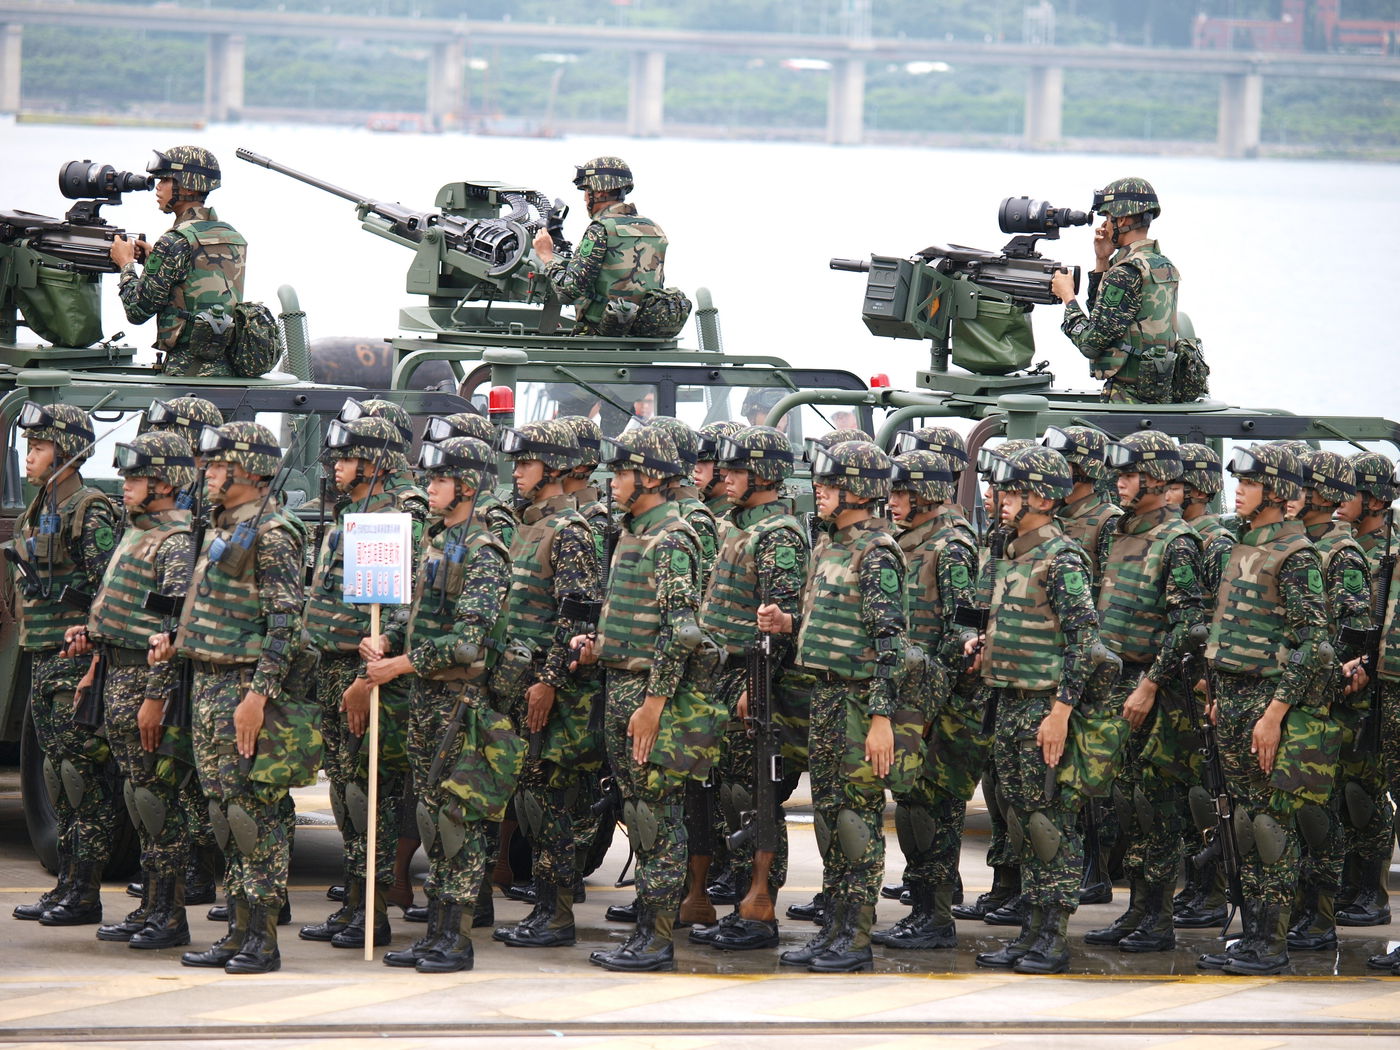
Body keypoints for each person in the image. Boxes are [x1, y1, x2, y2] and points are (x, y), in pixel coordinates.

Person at [158, 421, 311, 974]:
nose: (208, 474)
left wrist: (259, 695)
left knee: (255, 816)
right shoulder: (224, 526)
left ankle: (263, 941)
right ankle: (236, 931)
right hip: (208, 686)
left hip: (243, 692)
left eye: (219, 466)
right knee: (224, 816)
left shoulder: (273, 533)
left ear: (248, 470)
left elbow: (285, 623)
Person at [365, 436, 519, 973]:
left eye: (439, 480)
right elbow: (423, 620)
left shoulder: (484, 553)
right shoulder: (439, 541)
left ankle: (455, 938)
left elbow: (468, 644)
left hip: (462, 704)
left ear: (468, 487)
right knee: (431, 817)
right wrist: (389, 644)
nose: (429, 488)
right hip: (429, 701)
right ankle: (435, 934)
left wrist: (399, 666)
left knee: (457, 821)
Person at [570, 426, 721, 972]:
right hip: (622, 685)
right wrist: (599, 647)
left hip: (647, 694)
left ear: (651, 477)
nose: (613, 481)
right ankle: (644, 934)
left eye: (623, 472)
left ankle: (656, 940)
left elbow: (681, 631)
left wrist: (654, 703)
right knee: (639, 809)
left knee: (656, 817)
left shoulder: (672, 538)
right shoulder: (635, 531)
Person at [763, 439, 908, 972]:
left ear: (857, 491)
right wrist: (788, 626)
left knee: (855, 820)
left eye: (829, 482)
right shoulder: (828, 545)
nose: (818, 490)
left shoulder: (877, 553)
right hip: (824, 697)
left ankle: (856, 935)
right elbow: (837, 629)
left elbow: (891, 643)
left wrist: (880, 719)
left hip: (856, 702)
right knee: (828, 816)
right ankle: (836, 928)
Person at [1198, 444, 1331, 976]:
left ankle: (1271, 944)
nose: (1239, 489)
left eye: (1250, 482)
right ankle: (1253, 934)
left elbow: (1315, 646)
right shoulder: (1242, 545)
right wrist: (1213, 689)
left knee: (1269, 826)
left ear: (1275, 491)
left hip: (1264, 703)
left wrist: (1275, 713)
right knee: (1243, 825)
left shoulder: (1296, 556)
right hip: (1231, 698)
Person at [966, 445, 1100, 975]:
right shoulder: (1012, 555)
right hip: (1010, 703)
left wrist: (1062, 712)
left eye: (1013, 491)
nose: (1000, 500)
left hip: (1043, 708)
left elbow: (1084, 641)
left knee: (1050, 824)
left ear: (1042, 499)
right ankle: (1031, 932)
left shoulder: (1062, 560)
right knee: (1023, 823)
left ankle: (1053, 937)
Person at [298, 416, 427, 952]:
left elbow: (401, 610)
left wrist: (363, 679)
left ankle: (371, 910)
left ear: (374, 460)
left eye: (347, 456)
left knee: (366, 797)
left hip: (366, 676)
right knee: (344, 793)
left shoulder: (400, 515)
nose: (336, 465)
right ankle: (354, 903)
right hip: (330, 669)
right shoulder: (355, 511)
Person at [72, 431, 198, 951]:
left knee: (155, 798)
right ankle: (151, 904)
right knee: (136, 793)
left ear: (165, 484)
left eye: (137, 477)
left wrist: (155, 695)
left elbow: (172, 633)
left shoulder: (175, 542)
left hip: (145, 681)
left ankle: (169, 913)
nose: (126, 486)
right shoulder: (138, 532)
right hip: (116, 674)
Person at [1084, 431, 1204, 956]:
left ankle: (1158, 918)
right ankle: (1137, 909)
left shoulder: (1176, 541)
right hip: (1118, 683)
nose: (1120, 482)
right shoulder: (1122, 533)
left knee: (1156, 805)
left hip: (1157, 692)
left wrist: (1151, 683)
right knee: (1127, 805)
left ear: (1156, 479)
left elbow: (1189, 626)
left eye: (1130, 474)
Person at [694, 424, 807, 952]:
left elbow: (777, 623)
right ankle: (738, 900)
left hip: (749, 677)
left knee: (752, 798)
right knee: (724, 794)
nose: (727, 476)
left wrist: (755, 686)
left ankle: (758, 907)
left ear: (764, 474)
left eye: (738, 470)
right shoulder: (732, 524)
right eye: (728, 469)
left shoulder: (779, 535)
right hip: (718, 675)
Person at [490, 421, 602, 950]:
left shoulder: (571, 532)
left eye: (526, 463)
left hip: (547, 690)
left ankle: (556, 913)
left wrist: (550, 681)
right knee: (532, 800)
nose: (517, 472)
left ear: (553, 470)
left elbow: (578, 616)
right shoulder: (529, 526)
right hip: (521, 683)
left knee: (552, 803)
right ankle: (544, 906)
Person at [10, 403, 118, 927]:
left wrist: (95, 659)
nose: (28, 456)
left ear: (68, 454)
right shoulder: (43, 505)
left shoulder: (88, 509)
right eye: (28, 447)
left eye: (39, 447)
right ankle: (68, 885)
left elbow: (107, 589)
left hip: (72, 661)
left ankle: (85, 892)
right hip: (42, 657)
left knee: (81, 779)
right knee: (57, 778)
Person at [872, 447, 980, 952]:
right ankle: (920, 904)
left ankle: (936, 915)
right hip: (911, 696)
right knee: (912, 803)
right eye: (893, 491)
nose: (893, 501)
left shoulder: (951, 548)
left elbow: (962, 635)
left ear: (929, 494)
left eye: (903, 491)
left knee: (935, 807)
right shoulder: (906, 543)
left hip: (941, 703)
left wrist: (933, 703)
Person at [1288, 450, 1371, 954]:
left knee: (1319, 814)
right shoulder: (1300, 544)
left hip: (1327, 705)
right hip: (1300, 696)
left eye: (1303, 485)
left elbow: (1353, 633)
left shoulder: (1341, 551)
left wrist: (1326, 679)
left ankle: (1320, 920)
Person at [111, 146, 245, 377]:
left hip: (185, 370)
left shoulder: (175, 241)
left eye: (165, 179)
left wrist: (126, 264)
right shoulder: (231, 235)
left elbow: (137, 311)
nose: (157, 186)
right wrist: (155, 260)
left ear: (187, 186)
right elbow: (195, 281)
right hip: (226, 367)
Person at [1051, 177, 1181, 404]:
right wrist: (1102, 260)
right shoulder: (1161, 264)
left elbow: (1091, 343)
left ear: (1121, 220)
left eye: (1108, 219)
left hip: (1127, 399)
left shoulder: (1126, 272)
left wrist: (1068, 298)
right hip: (1156, 392)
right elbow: (1106, 317)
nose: (1104, 226)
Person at [532, 157, 686, 338]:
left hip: (600, 334)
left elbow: (569, 290)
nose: (584, 197)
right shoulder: (653, 228)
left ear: (599, 193)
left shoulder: (600, 229)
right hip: (642, 333)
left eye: (586, 190)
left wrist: (546, 256)